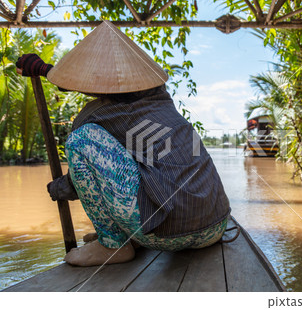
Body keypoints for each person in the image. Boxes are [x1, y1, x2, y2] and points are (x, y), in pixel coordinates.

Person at [16, 21, 230, 267]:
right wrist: (45, 70)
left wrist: (56, 189)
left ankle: (112, 245)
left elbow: (79, 183)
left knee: (80, 140)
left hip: (170, 236)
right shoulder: (162, 100)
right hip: (215, 227)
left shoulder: (95, 116)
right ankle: (130, 235)